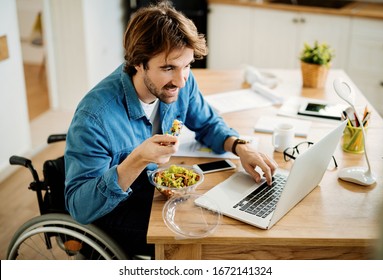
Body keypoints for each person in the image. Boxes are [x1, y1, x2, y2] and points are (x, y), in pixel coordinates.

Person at [64, 1, 277, 258]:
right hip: (114, 211)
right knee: (197, 244)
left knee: (228, 223)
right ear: (139, 63)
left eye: (187, 65)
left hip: (157, 192)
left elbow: (208, 123)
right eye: (168, 68)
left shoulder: (181, 82)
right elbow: (81, 208)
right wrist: (138, 158)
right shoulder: (94, 116)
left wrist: (239, 145)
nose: (180, 79)